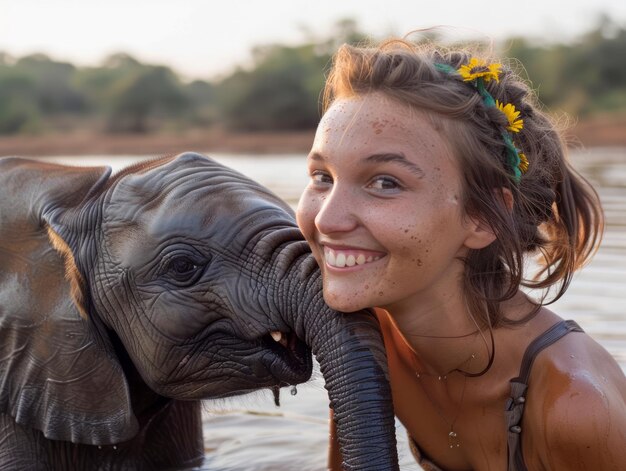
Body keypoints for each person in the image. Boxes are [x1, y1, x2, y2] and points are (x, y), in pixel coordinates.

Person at [295, 38, 626, 471]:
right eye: (322, 176)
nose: (327, 221)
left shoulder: (576, 407)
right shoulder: (365, 337)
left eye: (385, 183)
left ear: (481, 218)